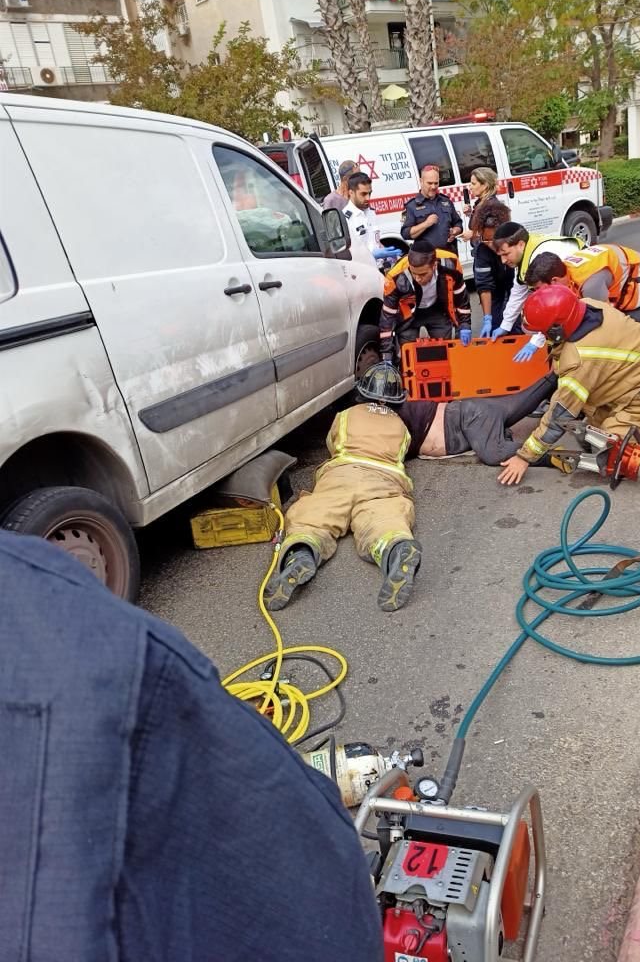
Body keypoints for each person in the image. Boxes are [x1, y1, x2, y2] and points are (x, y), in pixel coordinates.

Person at [0, 530, 384, 961]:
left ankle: (304, 550)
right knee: (373, 522)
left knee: (317, 522)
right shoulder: (58, 626)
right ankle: (369, 547)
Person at [497, 284, 640, 486]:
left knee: (611, 453)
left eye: (544, 332)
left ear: (558, 330)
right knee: (592, 436)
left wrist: (525, 456)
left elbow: (559, 416)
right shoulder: (586, 305)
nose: (541, 337)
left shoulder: (579, 359)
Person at [264, 362, 421, 614]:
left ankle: (301, 551)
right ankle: (395, 547)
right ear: (397, 397)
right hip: (383, 479)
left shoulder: (345, 416)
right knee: (384, 518)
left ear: (363, 391)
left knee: (313, 516)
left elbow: (332, 445)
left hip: (341, 473)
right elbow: (398, 457)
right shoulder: (401, 427)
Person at [397, 374, 557, 464]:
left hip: (469, 416)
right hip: (472, 418)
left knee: (494, 453)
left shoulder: (392, 417)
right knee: (525, 400)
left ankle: (556, 456)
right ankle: (554, 377)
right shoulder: (388, 419)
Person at [489, 222, 582, 354]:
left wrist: (536, 341)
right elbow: (518, 292)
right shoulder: (526, 254)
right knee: (528, 322)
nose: (503, 261)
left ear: (520, 244)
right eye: (500, 256)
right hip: (574, 288)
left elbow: (557, 309)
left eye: (506, 254)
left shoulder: (542, 261)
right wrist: (505, 326)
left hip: (585, 286)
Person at [524, 244, 640, 325]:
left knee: (625, 334)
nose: (538, 293)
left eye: (538, 288)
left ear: (554, 280)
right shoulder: (564, 270)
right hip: (620, 279)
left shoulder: (590, 285)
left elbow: (606, 321)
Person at [379, 239, 472, 360]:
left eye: (423, 274)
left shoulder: (451, 263)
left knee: (442, 352)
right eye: (414, 274)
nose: (418, 278)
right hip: (409, 316)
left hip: (437, 310)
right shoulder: (395, 277)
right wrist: (386, 353)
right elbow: (387, 316)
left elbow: (460, 296)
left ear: (434, 266)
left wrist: (465, 324)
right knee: (409, 356)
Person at [400, 164, 463, 253]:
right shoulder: (412, 206)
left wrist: (455, 231)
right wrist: (426, 224)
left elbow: (458, 223)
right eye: (429, 183)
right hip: (427, 258)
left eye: (436, 183)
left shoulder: (446, 201)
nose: (433, 187)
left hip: (449, 254)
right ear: (421, 181)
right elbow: (405, 234)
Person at [472, 209, 513, 337]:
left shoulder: (515, 244)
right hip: (495, 287)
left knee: (515, 323)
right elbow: (484, 286)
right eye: (486, 240)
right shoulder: (482, 251)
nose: (491, 245)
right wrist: (487, 318)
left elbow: (521, 285)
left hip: (514, 285)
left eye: (494, 240)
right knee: (494, 324)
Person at [460, 166, 506, 245]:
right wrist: (470, 214)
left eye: (473, 184)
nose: (470, 187)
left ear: (485, 185)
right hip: (480, 251)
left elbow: (495, 231)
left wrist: (473, 233)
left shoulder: (492, 205)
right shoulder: (481, 203)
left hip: (489, 254)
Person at [343, 171, 381, 267]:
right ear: (351, 193)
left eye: (369, 193)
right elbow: (346, 254)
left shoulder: (371, 212)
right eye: (363, 194)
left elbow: (375, 241)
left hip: (378, 268)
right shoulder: (345, 219)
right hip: (362, 271)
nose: (368, 198)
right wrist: (371, 255)